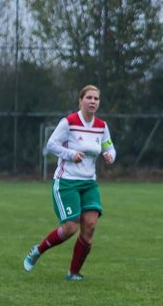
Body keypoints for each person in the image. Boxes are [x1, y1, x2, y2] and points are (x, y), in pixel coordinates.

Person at [23, 86, 116, 278]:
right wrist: (70, 154)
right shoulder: (69, 122)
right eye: (89, 98)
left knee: (90, 225)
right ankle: (38, 250)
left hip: (89, 183)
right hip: (66, 182)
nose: (93, 101)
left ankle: (74, 272)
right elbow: (51, 145)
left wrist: (110, 156)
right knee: (70, 228)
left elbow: (110, 147)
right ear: (80, 100)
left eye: (96, 99)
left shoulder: (101, 126)